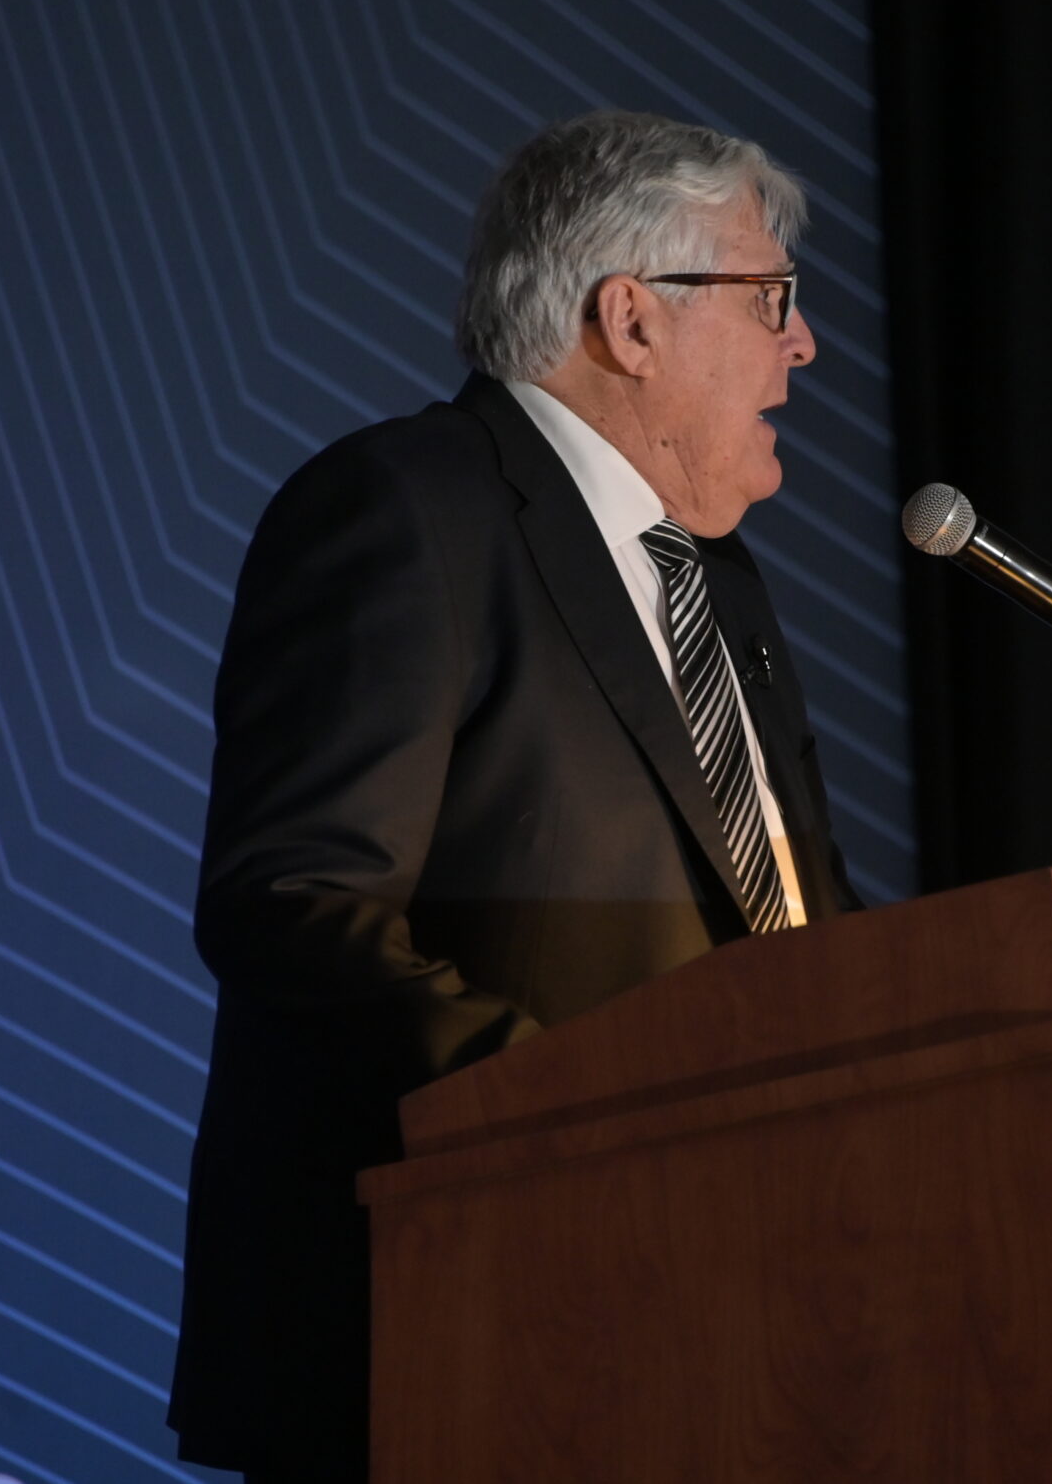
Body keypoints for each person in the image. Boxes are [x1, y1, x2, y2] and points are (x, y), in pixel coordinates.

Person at [167, 110, 859, 1481]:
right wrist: (586, 1119)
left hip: (732, 1329)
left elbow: (796, 922)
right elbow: (293, 901)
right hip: (458, 1330)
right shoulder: (403, 508)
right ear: (632, 320)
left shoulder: (721, 583)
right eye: (771, 298)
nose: (805, 346)